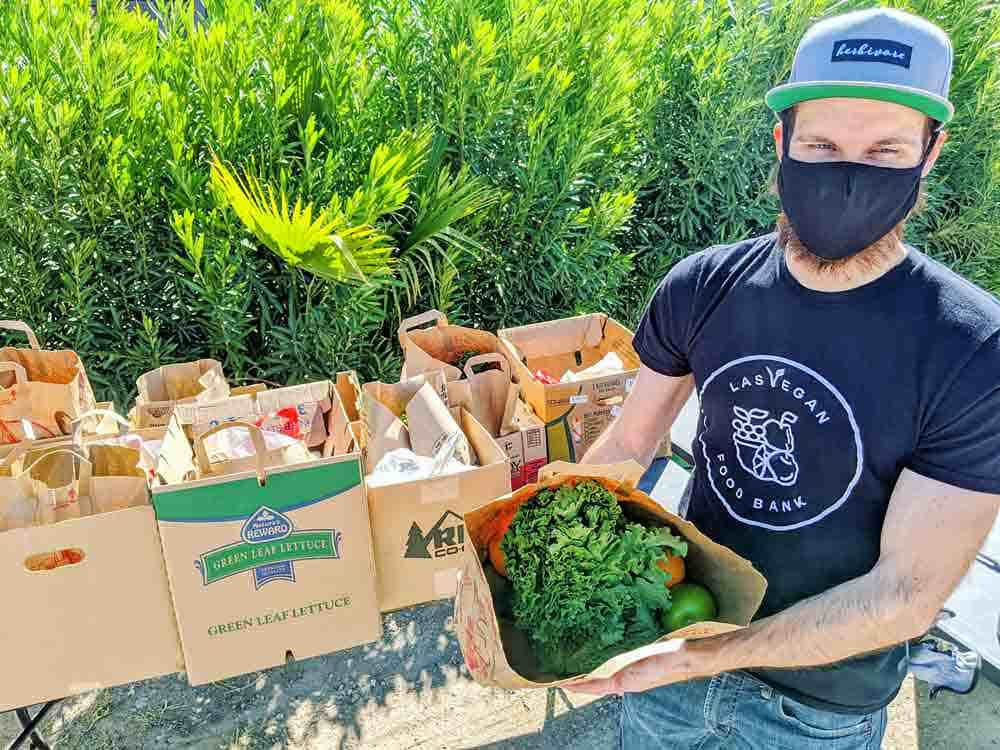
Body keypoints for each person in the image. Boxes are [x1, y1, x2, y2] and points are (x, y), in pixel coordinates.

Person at [570, 8, 1000, 749]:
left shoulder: (973, 347)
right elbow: (627, 447)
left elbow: (904, 596)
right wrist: (548, 555)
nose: (847, 174)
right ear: (781, 143)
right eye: (823, 144)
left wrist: (705, 655)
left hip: (819, 709)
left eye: (886, 150)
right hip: (670, 653)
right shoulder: (702, 286)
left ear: (931, 156)